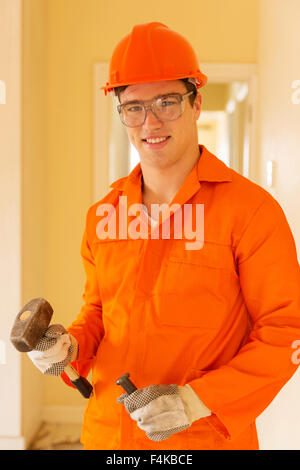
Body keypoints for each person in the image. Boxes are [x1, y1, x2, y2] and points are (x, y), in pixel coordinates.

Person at [28, 22, 300, 450]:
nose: (149, 121)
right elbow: (100, 312)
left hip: (202, 441)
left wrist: (195, 401)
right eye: (133, 107)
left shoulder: (251, 213)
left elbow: (285, 332)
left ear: (196, 103)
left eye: (167, 102)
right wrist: (69, 346)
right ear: (120, 113)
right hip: (107, 437)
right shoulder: (104, 215)